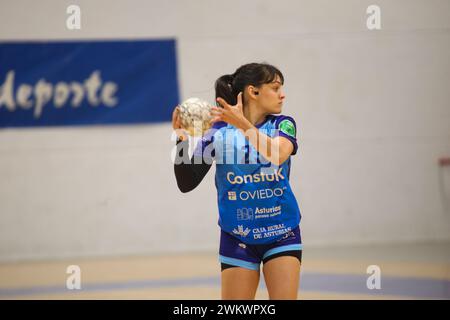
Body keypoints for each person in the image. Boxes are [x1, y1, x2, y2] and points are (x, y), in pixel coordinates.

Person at [172, 63, 302, 300]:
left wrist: (241, 123)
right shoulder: (218, 133)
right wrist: (181, 139)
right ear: (253, 91)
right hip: (238, 235)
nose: (282, 94)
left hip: (282, 231)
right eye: (275, 87)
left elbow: (278, 154)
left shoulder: (283, 124)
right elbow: (186, 183)